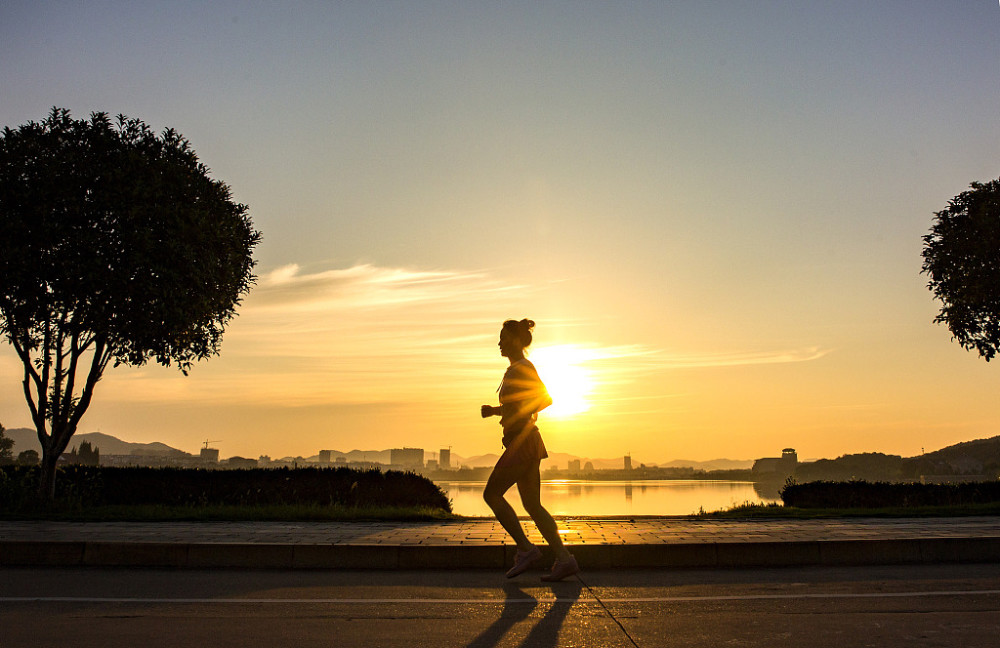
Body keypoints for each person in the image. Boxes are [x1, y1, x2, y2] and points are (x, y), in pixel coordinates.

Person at [481, 318, 580, 581]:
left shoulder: (522, 368)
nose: (499, 342)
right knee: (533, 505)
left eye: (502, 338)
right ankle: (564, 559)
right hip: (526, 441)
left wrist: (522, 416)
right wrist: (495, 412)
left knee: (491, 494)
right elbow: (520, 405)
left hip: (522, 443)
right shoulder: (515, 368)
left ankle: (526, 549)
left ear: (514, 341)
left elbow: (544, 398)